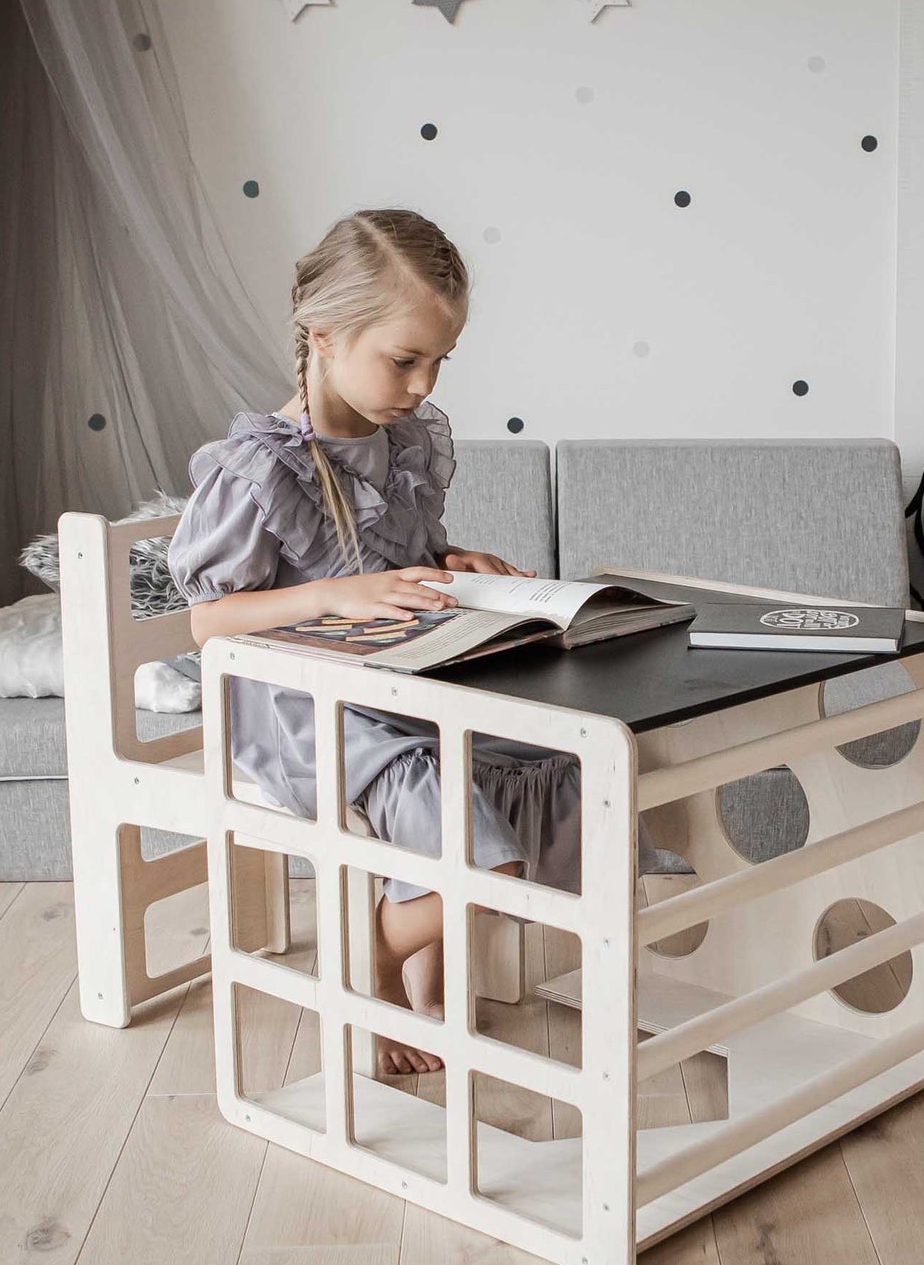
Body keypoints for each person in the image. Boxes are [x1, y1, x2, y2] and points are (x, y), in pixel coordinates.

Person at [167, 208, 660, 1075]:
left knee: (547, 754)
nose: (424, 384)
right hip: (295, 700)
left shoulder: (402, 447)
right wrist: (337, 595)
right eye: (404, 359)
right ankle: (373, 962)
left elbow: (399, 559)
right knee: (464, 836)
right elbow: (208, 622)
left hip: (397, 675)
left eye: (440, 361)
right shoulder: (258, 468)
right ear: (321, 336)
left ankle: (431, 994)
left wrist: (449, 562)